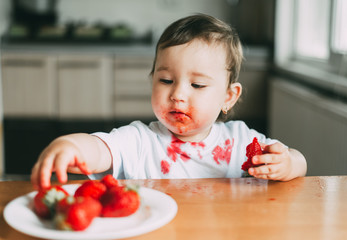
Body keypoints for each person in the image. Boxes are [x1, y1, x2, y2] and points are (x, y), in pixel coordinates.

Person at [31, 14, 307, 189]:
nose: (178, 94)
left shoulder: (241, 141)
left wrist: (287, 165)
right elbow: (101, 149)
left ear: (228, 96)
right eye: (165, 80)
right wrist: (71, 146)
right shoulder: (140, 141)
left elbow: (299, 161)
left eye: (197, 84)